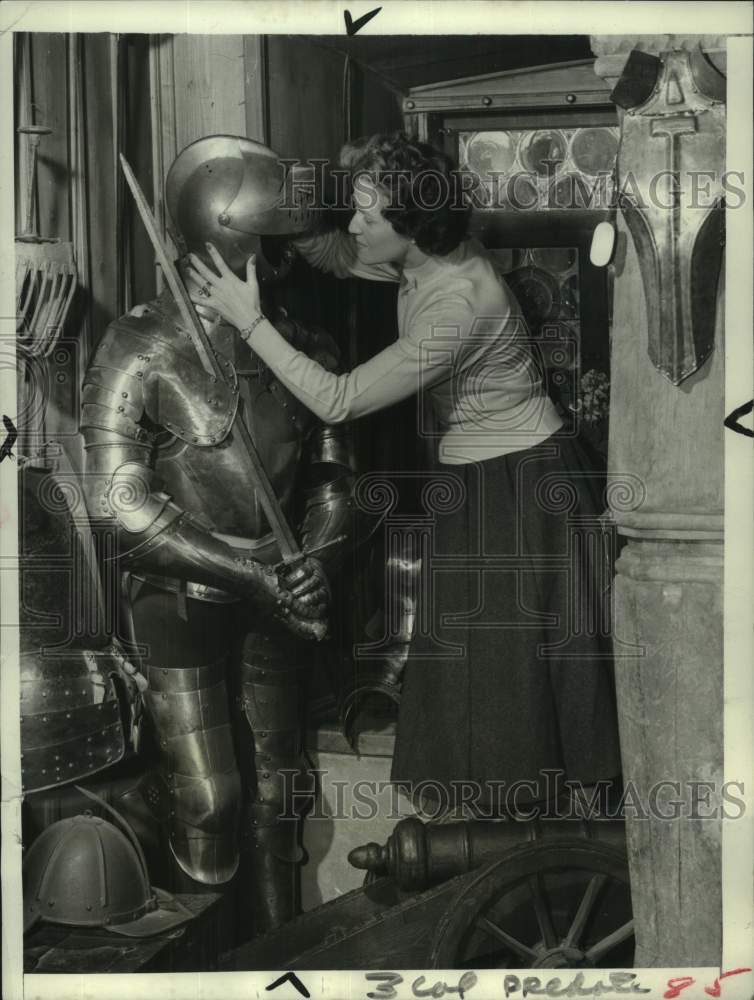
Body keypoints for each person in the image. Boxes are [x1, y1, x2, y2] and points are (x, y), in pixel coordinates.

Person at [186, 131, 621, 816]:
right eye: (356, 207)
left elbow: (338, 399)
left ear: (409, 225)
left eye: (368, 213)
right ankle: (498, 840)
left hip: (522, 487)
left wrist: (249, 321)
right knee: (484, 676)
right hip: (487, 479)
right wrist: (278, 217)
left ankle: (531, 846)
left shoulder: (459, 303)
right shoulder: (426, 251)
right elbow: (336, 253)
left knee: (513, 683)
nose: (355, 224)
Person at [79, 135, 355, 936]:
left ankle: (274, 954)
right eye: (270, 246)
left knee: (277, 792)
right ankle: (205, 962)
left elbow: (340, 483)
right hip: (181, 595)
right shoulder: (139, 344)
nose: (286, 262)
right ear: (227, 241)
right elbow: (118, 498)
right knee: (210, 796)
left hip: (280, 587)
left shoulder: (303, 346)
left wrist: (316, 560)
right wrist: (248, 572)